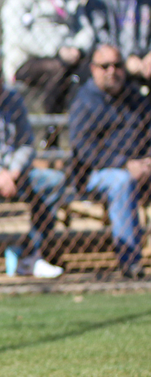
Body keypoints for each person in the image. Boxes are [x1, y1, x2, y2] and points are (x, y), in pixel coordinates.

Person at [0, 58, 65, 280]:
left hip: (15, 173)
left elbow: (26, 143)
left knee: (54, 181)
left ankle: (31, 255)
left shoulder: (12, 99)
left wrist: (14, 171)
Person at [68, 44, 151, 279]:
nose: (112, 71)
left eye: (117, 65)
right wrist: (125, 164)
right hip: (96, 175)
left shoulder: (136, 98)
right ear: (93, 69)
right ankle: (130, 261)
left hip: (141, 168)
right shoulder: (84, 101)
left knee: (126, 179)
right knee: (122, 181)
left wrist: (147, 162)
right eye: (105, 66)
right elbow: (85, 150)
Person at [1, 0, 95, 147]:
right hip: (26, 61)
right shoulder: (18, 3)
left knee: (89, 70)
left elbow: (86, 30)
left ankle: (84, 135)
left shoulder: (71, 3)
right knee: (57, 68)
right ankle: (51, 131)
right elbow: (18, 35)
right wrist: (56, 49)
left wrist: (78, 49)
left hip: (67, 59)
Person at [85, 0, 151, 90]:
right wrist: (125, 59)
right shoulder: (98, 4)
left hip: (145, 63)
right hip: (116, 62)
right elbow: (101, 38)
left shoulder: (145, 3)